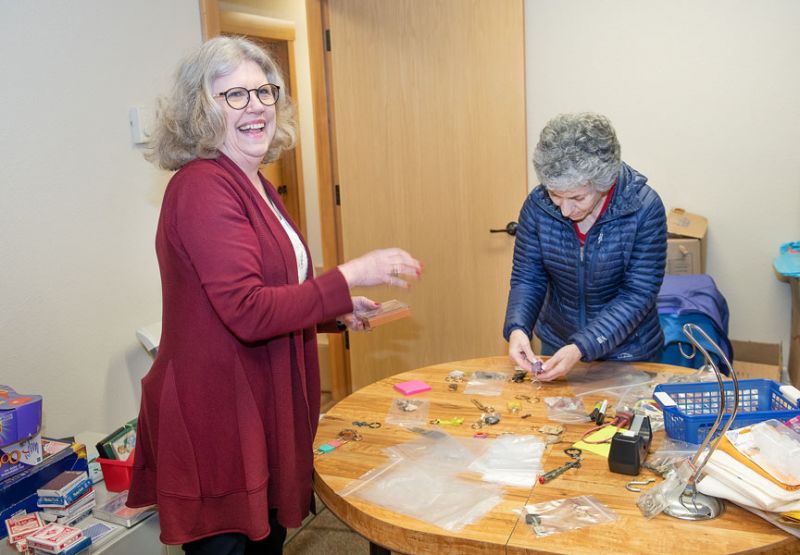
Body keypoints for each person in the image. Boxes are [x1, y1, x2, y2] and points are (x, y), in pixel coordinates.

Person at [125, 37, 422, 554]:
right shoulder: (201, 187)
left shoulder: (253, 182)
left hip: (258, 402)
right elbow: (246, 310)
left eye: (263, 91)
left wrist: (335, 308)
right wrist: (351, 274)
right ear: (201, 110)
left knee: (267, 543)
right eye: (234, 95)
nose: (256, 105)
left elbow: (272, 288)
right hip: (216, 418)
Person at [504, 112, 666, 381]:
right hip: (558, 343)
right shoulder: (537, 206)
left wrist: (582, 345)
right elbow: (528, 276)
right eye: (555, 195)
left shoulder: (644, 208)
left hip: (628, 350)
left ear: (605, 183)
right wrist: (518, 328)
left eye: (577, 197)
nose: (565, 210)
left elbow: (638, 293)